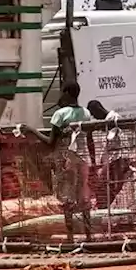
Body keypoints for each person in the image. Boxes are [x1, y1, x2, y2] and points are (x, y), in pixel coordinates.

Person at [29, 83, 93, 240]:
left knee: (67, 198)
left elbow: (50, 141)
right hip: (83, 159)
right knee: (84, 197)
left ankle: (70, 236)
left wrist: (32, 130)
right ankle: (88, 235)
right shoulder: (86, 113)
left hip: (66, 160)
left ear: (66, 93)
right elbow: (89, 139)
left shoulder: (60, 114)